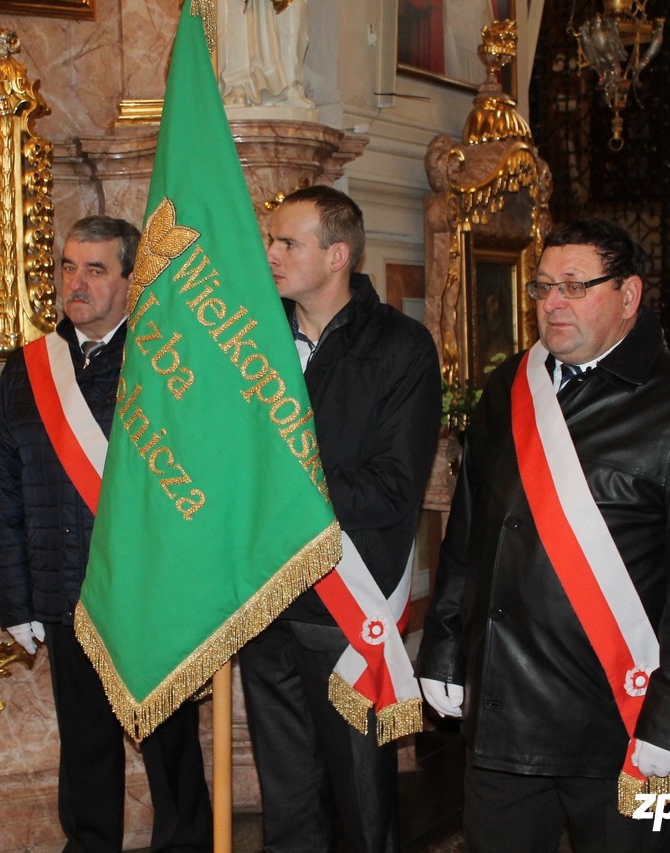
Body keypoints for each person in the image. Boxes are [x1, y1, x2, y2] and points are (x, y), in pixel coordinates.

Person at [415, 217, 670, 852]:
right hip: (504, 713)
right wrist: (443, 649)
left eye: (575, 286)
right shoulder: (509, 386)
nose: (553, 303)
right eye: (542, 287)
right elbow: (468, 536)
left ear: (629, 295)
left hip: (620, 720)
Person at [0, 216, 212, 853]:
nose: (76, 283)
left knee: (170, 750)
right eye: (68, 267)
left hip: (149, 596)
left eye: (95, 269)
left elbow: (196, 482)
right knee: (85, 749)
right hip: (64, 592)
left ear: (130, 281)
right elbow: (5, 490)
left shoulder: (163, 363)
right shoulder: (28, 368)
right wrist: (17, 600)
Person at [237, 185, 442, 853]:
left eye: (286, 243)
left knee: (362, 807)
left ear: (337, 256)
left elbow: (392, 490)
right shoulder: (253, 340)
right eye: (269, 240)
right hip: (267, 597)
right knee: (289, 808)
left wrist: (279, 482)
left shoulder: (402, 347)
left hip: (345, 608)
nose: (270, 254)